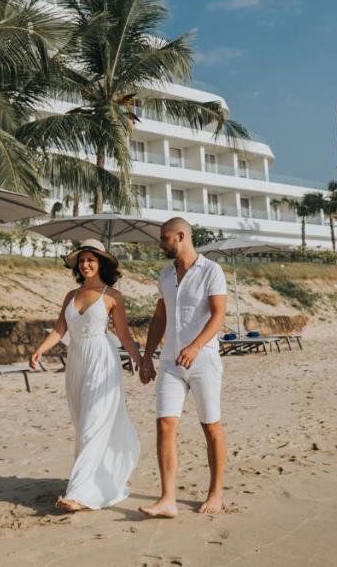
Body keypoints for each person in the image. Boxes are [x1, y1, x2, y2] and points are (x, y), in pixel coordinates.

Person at [29, 239, 142, 512]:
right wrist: (39, 351)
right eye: (82, 260)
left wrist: (141, 361)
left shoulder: (112, 296)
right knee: (83, 423)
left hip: (102, 361)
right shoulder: (70, 295)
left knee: (93, 423)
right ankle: (92, 480)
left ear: (100, 262)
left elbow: (124, 335)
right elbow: (59, 330)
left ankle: (78, 493)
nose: (86, 264)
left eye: (91, 259)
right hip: (77, 361)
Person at [138, 217, 229, 517]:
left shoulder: (211, 271)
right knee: (164, 424)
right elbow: (160, 317)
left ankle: (215, 493)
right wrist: (147, 356)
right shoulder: (165, 275)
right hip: (170, 363)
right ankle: (168, 499)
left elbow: (218, 315)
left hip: (203, 361)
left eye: (164, 238)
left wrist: (196, 346)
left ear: (181, 236)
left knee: (211, 427)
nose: (161, 244)